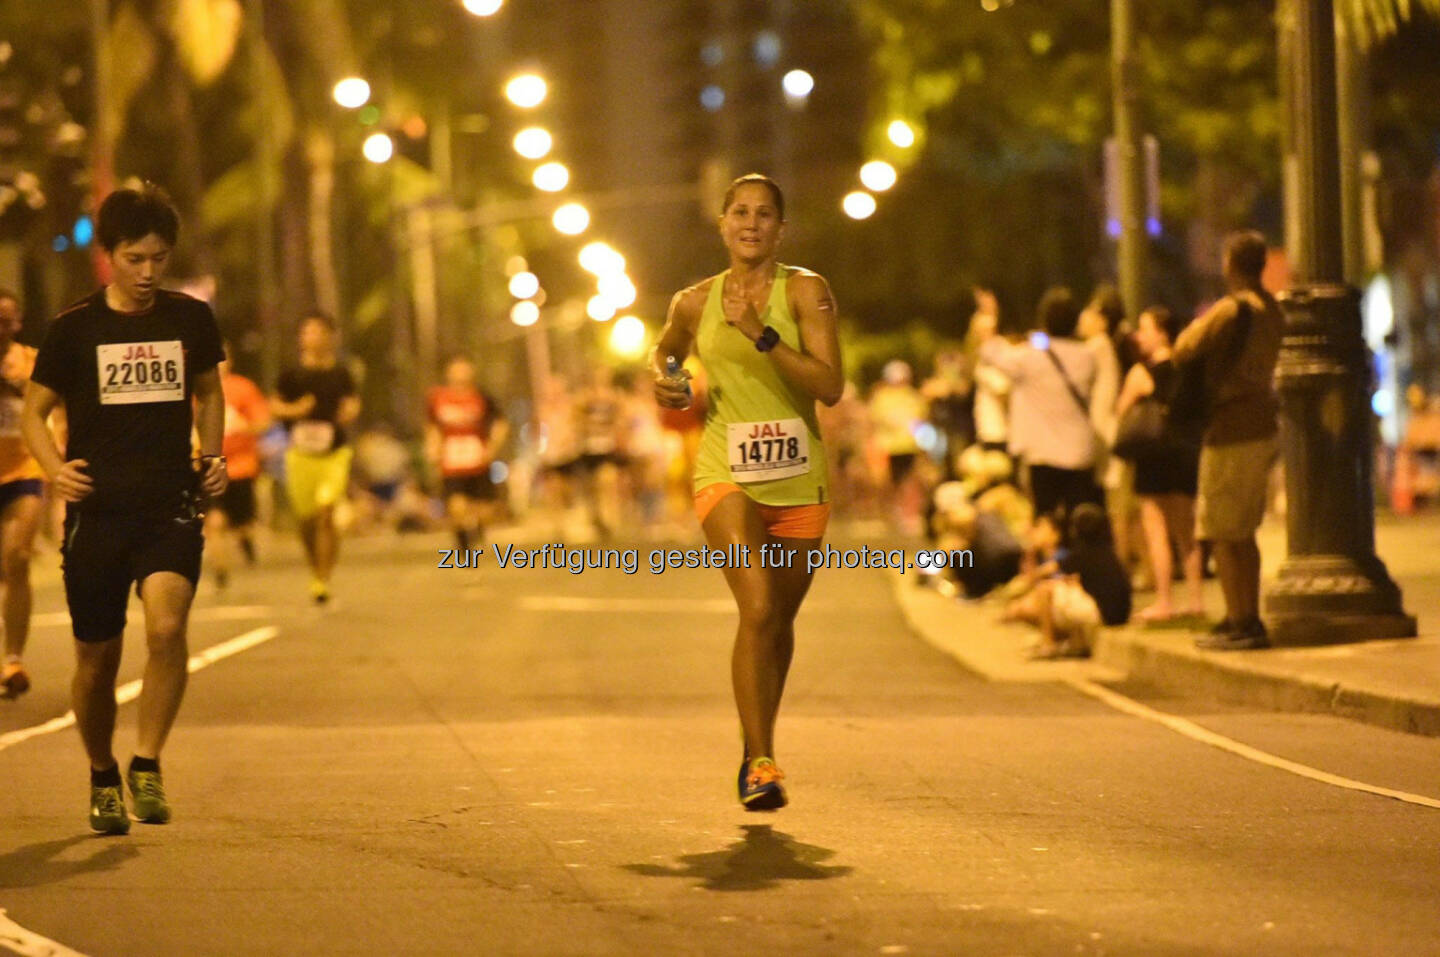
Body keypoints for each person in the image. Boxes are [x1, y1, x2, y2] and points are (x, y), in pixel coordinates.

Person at [20, 185, 228, 834]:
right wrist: (57, 472)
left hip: (169, 501)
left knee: (167, 628)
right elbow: (33, 411)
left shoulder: (190, 319)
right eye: (134, 259)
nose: (146, 273)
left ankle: (147, 761)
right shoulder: (75, 328)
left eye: (159, 259)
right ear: (107, 255)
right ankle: (102, 770)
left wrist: (212, 456)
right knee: (97, 660)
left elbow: (210, 392)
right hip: (98, 514)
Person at [652, 173, 842, 811]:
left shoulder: (806, 291)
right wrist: (669, 382)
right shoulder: (692, 301)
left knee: (779, 622)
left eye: (764, 214)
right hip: (724, 471)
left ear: (781, 229)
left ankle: (754, 745)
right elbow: (666, 355)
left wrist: (763, 332)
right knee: (757, 608)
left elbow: (830, 384)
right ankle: (763, 763)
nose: (751, 223)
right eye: (740, 212)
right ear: (723, 224)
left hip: (798, 477)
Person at [1173, 230, 1283, 650]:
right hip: (1262, 426)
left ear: (1230, 265)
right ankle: (1245, 614)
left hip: (1229, 429)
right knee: (1245, 530)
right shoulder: (1273, 309)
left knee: (1221, 528)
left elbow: (1185, 348)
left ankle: (1241, 619)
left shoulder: (1232, 310)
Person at [980, 287, 1102, 517]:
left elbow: (992, 354)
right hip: (1080, 452)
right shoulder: (1087, 357)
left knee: (1045, 517)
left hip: (1043, 454)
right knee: (1079, 516)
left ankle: (1053, 553)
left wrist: (988, 322)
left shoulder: (1030, 357)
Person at [1115, 306, 1203, 621]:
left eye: (1145, 329)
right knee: (1186, 532)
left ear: (1161, 334)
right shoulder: (1185, 369)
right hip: (1182, 455)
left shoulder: (1142, 374)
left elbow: (1121, 410)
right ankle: (1196, 599)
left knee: (1156, 532)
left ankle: (1164, 601)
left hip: (1152, 458)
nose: (1140, 336)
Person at [273, 314, 359, 604]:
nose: (312, 337)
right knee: (306, 521)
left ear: (331, 337)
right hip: (300, 455)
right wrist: (295, 410)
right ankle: (316, 567)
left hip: (334, 452)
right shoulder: (291, 374)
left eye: (318, 332)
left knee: (326, 512)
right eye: (307, 332)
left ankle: (322, 578)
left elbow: (352, 401)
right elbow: (274, 405)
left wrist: (349, 412)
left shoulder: (341, 373)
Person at [0, 289, 46, 698]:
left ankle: (12, 657)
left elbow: (51, 404)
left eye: (8, 320)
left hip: (22, 471)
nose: (2, 328)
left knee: (17, 557)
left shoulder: (31, 360)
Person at [205, 342, 270, 590]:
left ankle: (246, 540)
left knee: (242, 524)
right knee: (215, 521)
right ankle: (220, 572)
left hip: (242, 467)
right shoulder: (194, 389)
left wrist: (245, 427)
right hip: (210, 466)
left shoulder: (243, 388)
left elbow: (263, 421)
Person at [426, 355, 507, 551]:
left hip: (478, 460)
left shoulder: (482, 397)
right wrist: (433, 449)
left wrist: (492, 447)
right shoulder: (437, 398)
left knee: (484, 510)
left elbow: (501, 423)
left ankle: (478, 528)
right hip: (452, 461)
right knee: (457, 506)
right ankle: (463, 544)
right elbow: (432, 426)